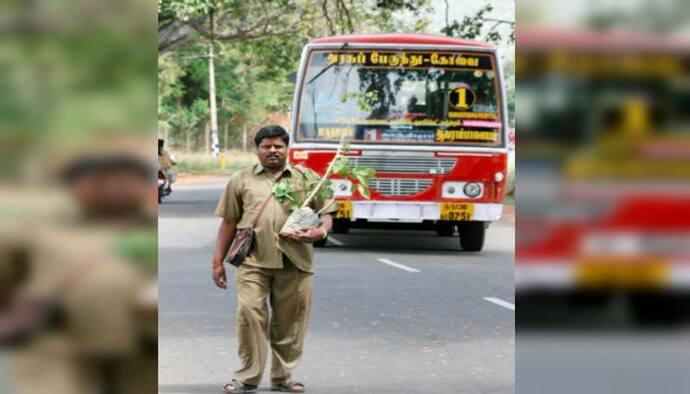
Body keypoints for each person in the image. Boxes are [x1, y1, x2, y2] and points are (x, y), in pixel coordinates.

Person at [2, 140, 158, 394]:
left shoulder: (153, 232)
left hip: (142, 353)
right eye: (99, 182)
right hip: (58, 351)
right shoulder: (38, 232)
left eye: (125, 181)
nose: (113, 190)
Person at [212, 125, 336, 393]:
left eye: (278, 146)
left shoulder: (308, 178)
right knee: (249, 315)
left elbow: (327, 212)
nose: (272, 151)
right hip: (252, 262)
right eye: (266, 146)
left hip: (296, 263)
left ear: (286, 148)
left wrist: (321, 230)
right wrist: (217, 262)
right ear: (257, 150)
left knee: (290, 323)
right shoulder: (241, 180)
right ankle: (247, 376)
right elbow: (229, 223)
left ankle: (282, 377)